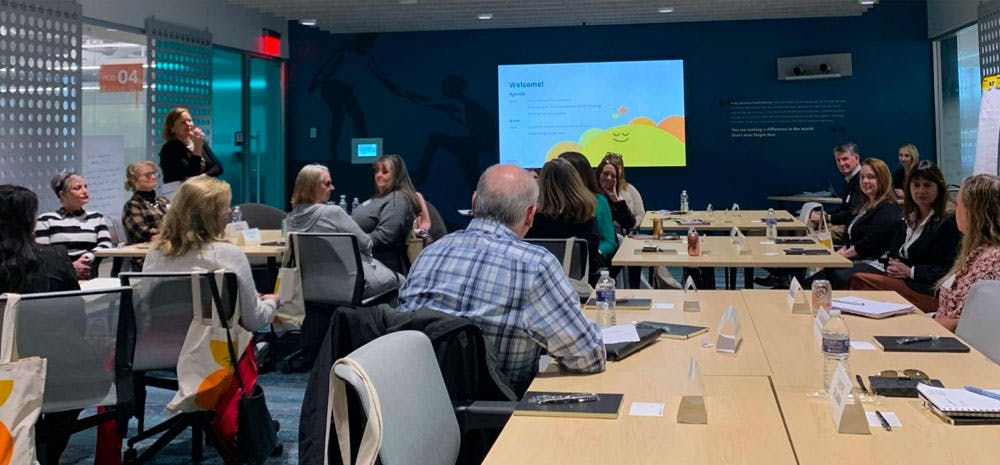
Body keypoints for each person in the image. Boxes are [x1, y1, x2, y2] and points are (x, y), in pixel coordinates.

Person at [397, 164, 605, 394]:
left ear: (474, 204)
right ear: (530, 215)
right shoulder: (535, 266)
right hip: (503, 420)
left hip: (414, 407)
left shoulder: (429, 255)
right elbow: (588, 356)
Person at [0, 185, 81, 464]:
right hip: (56, 373)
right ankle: (48, 452)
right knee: (79, 376)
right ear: (30, 220)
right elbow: (77, 319)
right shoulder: (56, 258)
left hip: (4, 374)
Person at [143, 175, 277, 332]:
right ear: (212, 216)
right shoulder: (230, 255)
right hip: (215, 350)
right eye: (224, 207)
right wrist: (272, 303)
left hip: (161, 346)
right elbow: (254, 321)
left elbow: (145, 313)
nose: (229, 211)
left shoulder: (155, 252)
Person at [849, 161, 960, 312]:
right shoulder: (906, 218)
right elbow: (893, 253)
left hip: (928, 290)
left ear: (938, 188)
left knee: (859, 280)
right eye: (916, 185)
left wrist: (910, 271)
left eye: (927, 185)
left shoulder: (948, 221)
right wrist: (894, 267)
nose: (921, 190)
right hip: (901, 281)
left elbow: (950, 268)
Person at [285, 164, 404, 298]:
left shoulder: (289, 220)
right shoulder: (333, 212)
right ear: (311, 187)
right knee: (403, 282)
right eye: (327, 184)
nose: (332, 188)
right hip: (351, 287)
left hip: (310, 289)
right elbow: (366, 244)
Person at [808, 158, 901, 289]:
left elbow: (868, 244)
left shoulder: (888, 208)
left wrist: (839, 258)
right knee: (813, 279)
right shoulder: (865, 205)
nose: (865, 181)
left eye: (871, 177)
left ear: (882, 179)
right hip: (856, 259)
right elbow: (852, 240)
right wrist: (840, 254)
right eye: (862, 177)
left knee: (825, 279)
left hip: (875, 265)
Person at [934, 174, 1000, 332]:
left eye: (958, 205)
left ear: (973, 212)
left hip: (961, 346)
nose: (954, 211)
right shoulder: (977, 251)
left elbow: (969, 320)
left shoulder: (992, 260)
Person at [525, 158, 602, 285]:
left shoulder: (531, 220)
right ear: (575, 182)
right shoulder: (586, 218)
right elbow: (591, 263)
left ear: (542, 185)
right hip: (578, 292)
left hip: (536, 289)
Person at [35, 171, 113, 280]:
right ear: (62, 194)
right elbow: (42, 252)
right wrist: (70, 267)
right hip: (58, 277)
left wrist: (87, 258)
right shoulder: (46, 219)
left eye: (85, 187)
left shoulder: (96, 217)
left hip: (89, 274)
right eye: (78, 188)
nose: (85, 191)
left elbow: (106, 244)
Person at [351, 154, 422, 274]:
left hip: (385, 268)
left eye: (384, 172)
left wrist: (351, 243)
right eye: (377, 171)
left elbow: (385, 236)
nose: (378, 175)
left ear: (396, 176)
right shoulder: (380, 197)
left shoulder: (398, 198)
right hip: (369, 263)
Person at [558, 152, 618, 262]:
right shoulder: (550, 204)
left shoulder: (599, 201)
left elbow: (610, 241)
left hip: (589, 261)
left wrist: (597, 252)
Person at [158, 107, 223, 196]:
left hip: (201, 193)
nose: (188, 124)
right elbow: (191, 175)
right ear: (172, 128)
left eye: (189, 120)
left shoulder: (199, 142)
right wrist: (197, 148)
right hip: (180, 197)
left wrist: (203, 177)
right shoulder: (169, 149)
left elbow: (218, 167)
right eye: (183, 122)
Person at [122, 161, 170, 268]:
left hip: (168, 251)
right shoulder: (132, 205)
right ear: (134, 181)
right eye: (148, 175)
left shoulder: (164, 201)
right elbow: (143, 232)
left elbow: (178, 223)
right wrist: (169, 233)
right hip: (146, 258)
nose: (153, 177)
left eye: (154, 173)